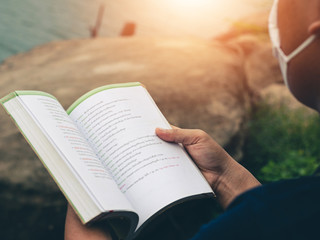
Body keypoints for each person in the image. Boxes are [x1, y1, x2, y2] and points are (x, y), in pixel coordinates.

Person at [65, 0, 320, 239]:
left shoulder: (245, 227)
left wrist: (84, 201)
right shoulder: (293, 209)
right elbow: (280, 221)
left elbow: (271, 223)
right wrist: (225, 175)